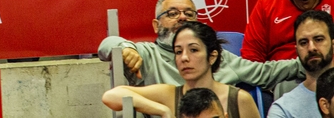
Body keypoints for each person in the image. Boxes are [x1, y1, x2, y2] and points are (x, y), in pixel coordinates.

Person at [98, 0, 302, 88]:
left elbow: (265, 72)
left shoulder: (217, 56)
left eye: (189, 13)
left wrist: (309, 62)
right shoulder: (147, 54)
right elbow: (107, 44)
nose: (182, 18)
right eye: (172, 13)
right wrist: (125, 48)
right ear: (155, 25)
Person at [103, 22, 262, 118]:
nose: (184, 58)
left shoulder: (239, 99)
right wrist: (163, 110)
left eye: (193, 50)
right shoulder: (169, 94)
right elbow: (112, 96)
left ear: (212, 56)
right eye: (178, 52)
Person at [267, 10, 334, 118]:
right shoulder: (283, 110)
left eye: (318, 39)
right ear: (296, 50)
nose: (311, 47)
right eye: (303, 42)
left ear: (332, 44)